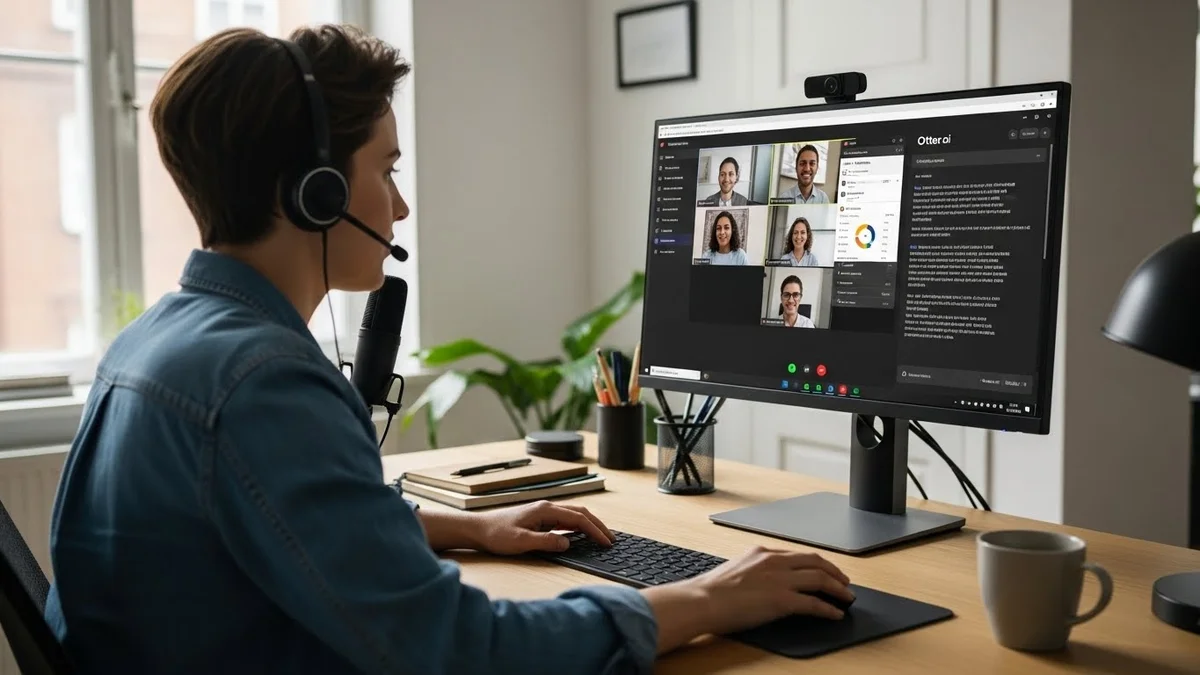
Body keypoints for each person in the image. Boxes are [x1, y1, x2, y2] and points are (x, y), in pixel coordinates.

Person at [41, 24, 852, 675]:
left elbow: (268, 520)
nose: (398, 206)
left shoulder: (155, 340)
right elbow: (461, 650)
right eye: (385, 170)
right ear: (314, 189)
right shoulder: (263, 382)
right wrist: (711, 598)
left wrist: (465, 528)